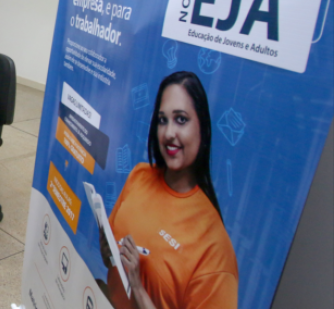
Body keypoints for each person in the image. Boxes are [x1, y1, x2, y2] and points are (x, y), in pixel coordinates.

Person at [101, 71, 237, 309]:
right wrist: (108, 251)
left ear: (203, 129)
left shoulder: (214, 248)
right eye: (163, 120)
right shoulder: (139, 176)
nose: (168, 133)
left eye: (181, 119)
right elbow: (110, 262)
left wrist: (138, 289)